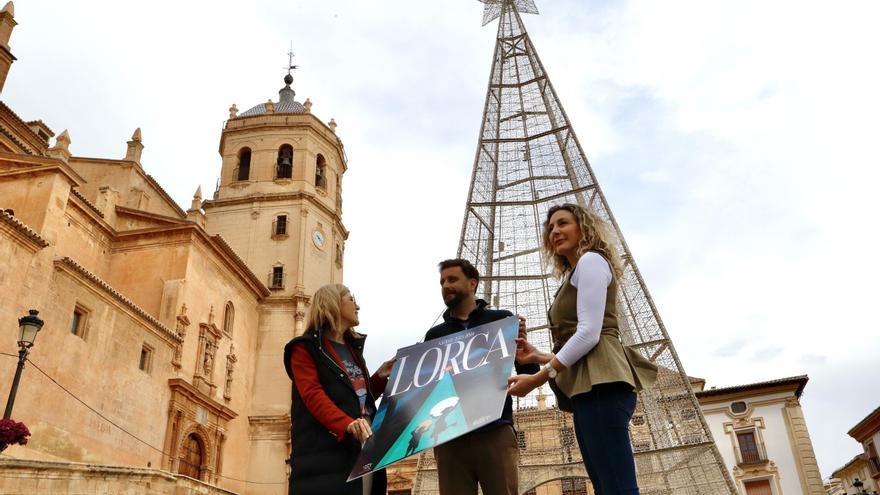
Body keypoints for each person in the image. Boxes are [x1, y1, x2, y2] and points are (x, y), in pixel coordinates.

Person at [507, 204, 658, 495]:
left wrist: (537, 379)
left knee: (617, 488)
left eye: (563, 223)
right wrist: (537, 356)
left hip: (602, 386)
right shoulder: (576, 272)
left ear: (583, 228)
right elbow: (586, 347)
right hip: (592, 386)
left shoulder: (591, 261)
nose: (555, 232)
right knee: (608, 487)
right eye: (550, 228)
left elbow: (589, 334)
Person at [424, 259, 538, 495]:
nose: (446, 285)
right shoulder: (435, 336)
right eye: (442, 282)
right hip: (450, 436)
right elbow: (426, 390)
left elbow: (528, 376)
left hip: (495, 431)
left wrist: (525, 354)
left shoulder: (501, 321)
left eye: (452, 279)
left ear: (472, 283)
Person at [283, 284, 394, 495]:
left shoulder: (353, 351)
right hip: (326, 457)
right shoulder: (303, 348)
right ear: (333, 303)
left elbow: (355, 398)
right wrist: (347, 424)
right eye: (351, 299)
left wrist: (379, 378)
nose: (358, 306)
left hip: (364, 448)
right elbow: (312, 394)